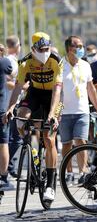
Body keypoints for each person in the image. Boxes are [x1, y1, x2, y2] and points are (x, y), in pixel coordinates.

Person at [4, 32, 62, 203]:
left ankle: (50, 186)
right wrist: (10, 108)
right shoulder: (25, 62)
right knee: (21, 119)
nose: (45, 51)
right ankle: (33, 151)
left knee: (49, 138)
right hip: (35, 93)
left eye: (47, 48)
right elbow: (18, 87)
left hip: (53, 95)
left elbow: (58, 90)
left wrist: (52, 114)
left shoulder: (56, 60)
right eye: (41, 49)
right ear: (33, 49)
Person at [60, 36, 97, 185]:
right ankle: (69, 172)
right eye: (77, 46)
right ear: (69, 49)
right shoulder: (60, 65)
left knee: (81, 142)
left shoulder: (85, 65)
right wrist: (56, 112)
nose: (81, 48)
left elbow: (91, 89)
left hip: (82, 111)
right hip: (64, 112)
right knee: (66, 144)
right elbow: (57, 92)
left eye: (81, 45)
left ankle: (83, 172)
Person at [4, 36, 22, 178]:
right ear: (17, 46)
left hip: (13, 102)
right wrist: (22, 87)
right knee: (14, 138)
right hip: (10, 103)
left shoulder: (13, 61)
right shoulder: (10, 61)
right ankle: (7, 167)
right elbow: (7, 82)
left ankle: (9, 166)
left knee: (14, 138)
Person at [0, 57, 13, 190]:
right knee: (3, 144)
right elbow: (11, 70)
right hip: (1, 110)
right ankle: (3, 177)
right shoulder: (3, 62)